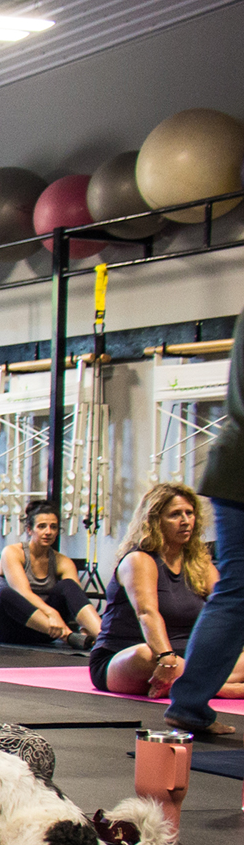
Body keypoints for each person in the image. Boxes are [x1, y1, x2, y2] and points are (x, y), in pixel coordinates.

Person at [88, 482, 238, 701]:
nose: (185, 521)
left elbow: (227, 607)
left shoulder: (199, 563)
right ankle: (226, 689)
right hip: (134, 657)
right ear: (155, 521)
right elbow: (147, 614)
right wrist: (167, 658)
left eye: (189, 513)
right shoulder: (139, 560)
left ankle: (193, 682)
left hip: (186, 659)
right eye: (175, 515)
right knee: (145, 654)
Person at [169, 312, 244, 737]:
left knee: (237, 592)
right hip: (240, 464)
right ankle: (190, 702)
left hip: (233, 461)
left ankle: (191, 703)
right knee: (238, 593)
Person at [0, 500, 100, 649]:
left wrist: (84, 628)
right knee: (5, 594)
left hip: (48, 631)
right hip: (12, 630)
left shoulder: (63, 561)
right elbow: (23, 593)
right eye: (42, 526)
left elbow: (75, 599)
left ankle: (103, 637)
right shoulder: (12, 553)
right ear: (29, 530)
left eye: (53, 527)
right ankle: (68, 636)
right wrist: (52, 613)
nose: (48, 532)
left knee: (68, 585)